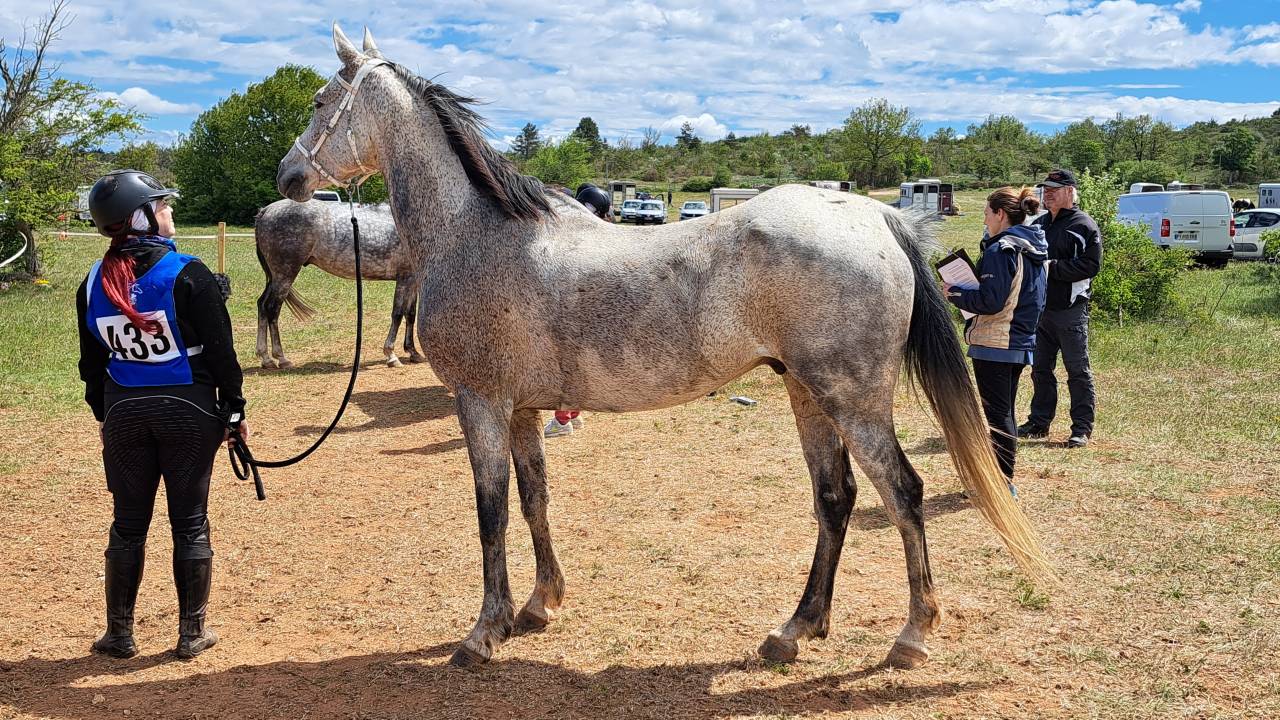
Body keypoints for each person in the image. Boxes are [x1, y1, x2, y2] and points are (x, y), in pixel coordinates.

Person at [77, 169, 247, 659]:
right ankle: (191, 634)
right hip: (188, 411)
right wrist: (234, 413)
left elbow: (91, 368)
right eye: (163, 204)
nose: (169, 210)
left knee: (126, 524)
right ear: (142, 216)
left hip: (124, 412)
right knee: (189, 522)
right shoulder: (188, 272)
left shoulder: (91, 283)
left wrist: (106, 418)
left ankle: (119, 633)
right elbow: (222, 357)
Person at [945, 187, 1048, 491]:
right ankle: (1000, 480)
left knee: (997, 417)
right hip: (1019, 341)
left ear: (1000, 214)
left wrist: (955, 294)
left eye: (987, 213)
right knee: (1005, 413)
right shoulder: (1033, 246)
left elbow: (991, 301)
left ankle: (1001, 484)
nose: (985, 219)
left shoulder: (1000, 250)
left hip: (995, 343)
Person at [1017, 169, 1102, 448]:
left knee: (1077, 371)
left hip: (1071, 309)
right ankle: (1039, 422)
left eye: (1054, 189)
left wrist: (1052, 268)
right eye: (1046, 189)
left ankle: (1081, 429)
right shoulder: (1041, 223)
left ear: (1070, 191)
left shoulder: (1084, 225)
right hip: (1042, 310)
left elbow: (1091, 266)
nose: (1048, 193)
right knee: (1040, 369)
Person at [543, 183, 614, 439]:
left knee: (564, 364)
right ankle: (573, 413)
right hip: (590, 311)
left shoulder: (572, 235)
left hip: (573, 311)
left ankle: (562, 421)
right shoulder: (602, 233)